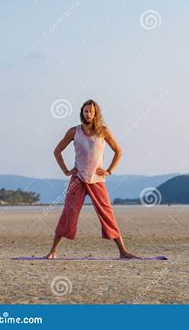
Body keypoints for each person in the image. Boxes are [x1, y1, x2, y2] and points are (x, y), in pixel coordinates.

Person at [45, 99, 141, 259]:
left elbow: (118, 151)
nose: (88, 114)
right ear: (82, 113)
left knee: (107, 213)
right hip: (77, 180)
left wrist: (109, 170)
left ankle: (123, 251)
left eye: (91, 111)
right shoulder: (74, 131)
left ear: (96, 113)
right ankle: (53, 251)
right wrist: (66, 171)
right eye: (85, 111)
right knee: (69, 212)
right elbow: (57, 151)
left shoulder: (103, 131)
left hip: (97, 180)